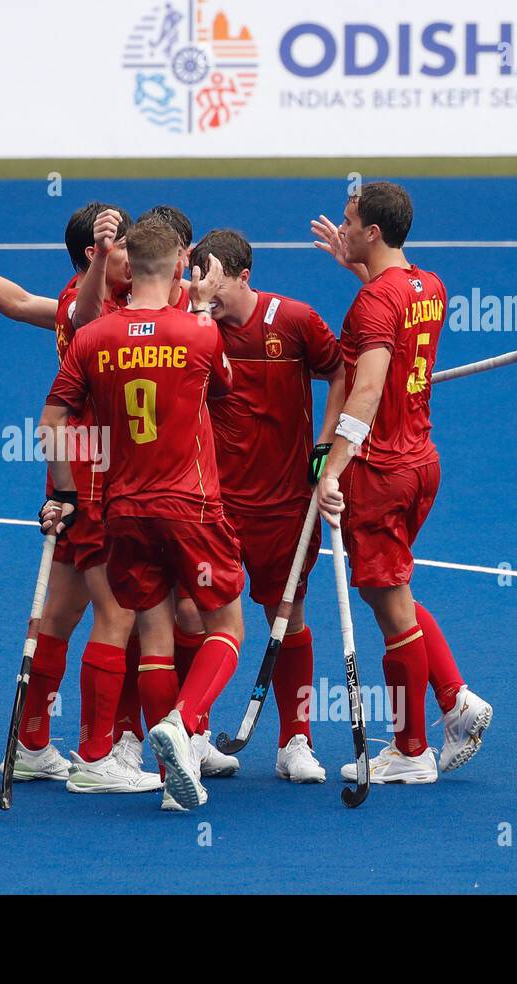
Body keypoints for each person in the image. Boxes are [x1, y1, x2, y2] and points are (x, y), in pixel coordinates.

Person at [0, 204, 159, 794]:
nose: (135, 256)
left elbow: (17, 302)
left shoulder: (78, 298)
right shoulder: (97, 305)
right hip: (99, 474)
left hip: (70, 470)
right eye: (124, 247)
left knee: (60, 613)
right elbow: (81, 315)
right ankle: (96, 756)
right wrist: (106, 264)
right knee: (119, 613)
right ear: (94, 256)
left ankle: (31, 744)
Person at [41, 217, 244, 811]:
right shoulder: (200, 334)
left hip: (122, 508)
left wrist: (66, 495)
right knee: (226, 627)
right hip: (191, 504)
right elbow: (224, 391)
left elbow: (53, 425)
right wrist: (203, 312)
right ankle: (184, 724)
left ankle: (172, 782)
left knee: (153, 636)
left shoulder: (93, 337)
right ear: (181, 265)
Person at [311, 182, 492, 783]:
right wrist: (357, 271)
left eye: (349, 221)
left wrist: (330, 465)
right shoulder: (428, 286)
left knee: (390, 606)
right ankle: (455, 700)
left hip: (382, 469)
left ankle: (412, 749)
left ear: (374, 232)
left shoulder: (374, 303)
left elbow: (366, 387)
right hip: (421, 463)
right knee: (393, 592)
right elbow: (385, 323)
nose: (342, 228)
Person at [187, 228, 349, 782]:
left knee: (290, 616)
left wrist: (325, 447)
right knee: (198, 617)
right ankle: (196, 735)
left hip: (286, 506)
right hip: (216, 506)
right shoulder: (195, 327)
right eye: (195, 277)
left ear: (243, 276)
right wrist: (197, 311)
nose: (202, 289)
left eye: (211, 279)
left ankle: (295, 742)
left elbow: (341, 371)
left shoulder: (297, 321)